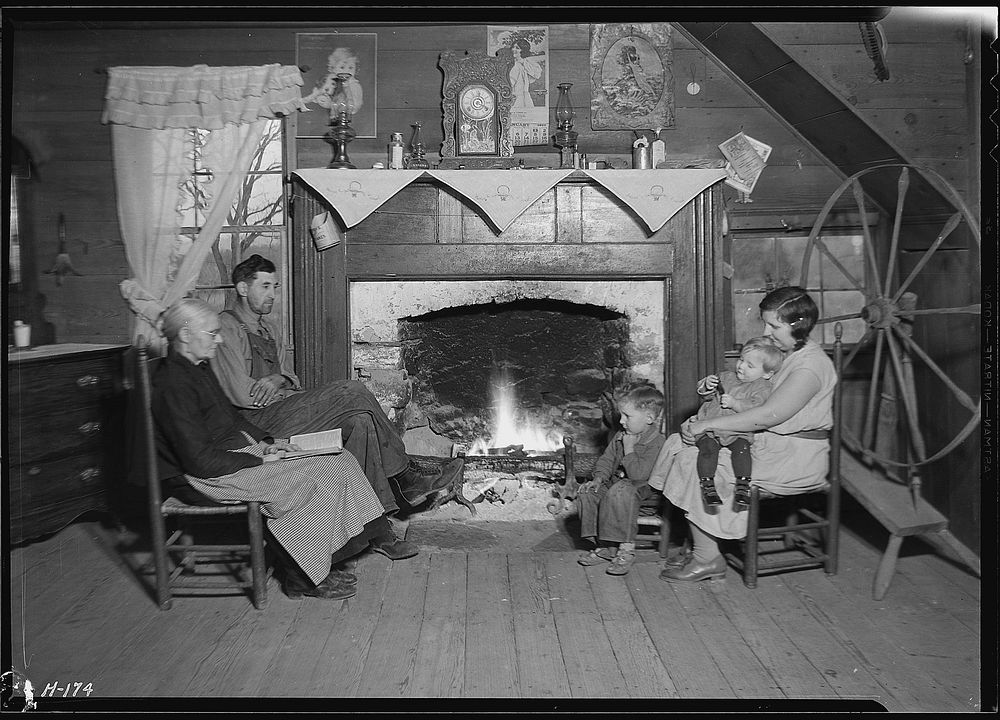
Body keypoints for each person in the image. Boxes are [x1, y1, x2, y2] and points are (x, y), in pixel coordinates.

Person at [151, 298, 418, 601]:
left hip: (233, 454)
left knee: (338, 459)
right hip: (208, 475)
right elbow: (199, 460)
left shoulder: (197, 367)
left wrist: (267, 443)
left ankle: (326, 559)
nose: (220, 339)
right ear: (185, 335)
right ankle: (301, 577)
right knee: (310, 478)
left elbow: (231, 419)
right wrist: (260, 462)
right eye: (212, 333)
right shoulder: (172, 383)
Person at [210, 255, 463, 536]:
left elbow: (292, 378)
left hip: (282, 411)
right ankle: (404, 475)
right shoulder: (226, 326)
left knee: (361, 422)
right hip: (255, 425)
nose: (272, 294)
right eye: (265, 286)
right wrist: (282, 390)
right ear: (243, 289)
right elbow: (243, 395)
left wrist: (277, 379)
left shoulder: (269, 330)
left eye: (275, 286)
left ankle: (373, 529)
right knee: (353, 390)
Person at [650, 286, 837, 584]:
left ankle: (706, 557)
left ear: (798, 325)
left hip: (793, 457)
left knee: (693, 461)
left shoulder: (810, 367)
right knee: (680, 445)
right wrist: (701, 418)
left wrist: (706, 427)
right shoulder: (782, 354)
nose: (766, 331)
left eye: (773, 325)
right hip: (767, 444)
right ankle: (704, 543)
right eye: (766, 323)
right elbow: (747, 399)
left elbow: (767, 415)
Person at [575, 383, 666, 576]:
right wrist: (598, 478)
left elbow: (639, 475)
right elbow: (607, 459)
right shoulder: (621, 435)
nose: (622, 421)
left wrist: (630, 448)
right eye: (621, 415)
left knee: (621, 489)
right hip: (615, 487)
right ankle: (605, 546)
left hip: (643, 494)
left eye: (627, 416)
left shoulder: (657, 443)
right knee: (588, 492)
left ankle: (626, 549)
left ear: (649, 418)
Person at [693, 337, 784, 510]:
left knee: (742, 450)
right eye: (741, 360)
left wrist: (736, 404)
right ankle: (707, 486)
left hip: (738, 431)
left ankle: (743, 486)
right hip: (711, 429)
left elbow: (757, 409)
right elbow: (706, 396)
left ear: (767, 373)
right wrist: (706, 385)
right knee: (707, 449)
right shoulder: (726, 377)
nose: (741, 367)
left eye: (750, 366)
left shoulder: (762, 387)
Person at [302, 47, 364, 120]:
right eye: (342, 67)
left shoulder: (354, 85)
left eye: (351, 68)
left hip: (347, 107)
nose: (346, 71)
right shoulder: (333, 79)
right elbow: (325, 88)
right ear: (333, 68)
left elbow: (353, 104)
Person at [509, 38, 543, 108]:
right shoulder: (511, 65)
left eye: (517, 48)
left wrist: (523, 62)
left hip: (524, 96)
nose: (513, 50)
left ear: (523, 50)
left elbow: (537, 74)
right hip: (514, 97)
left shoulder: (526, 63)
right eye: (513, 47)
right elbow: (510, 83)